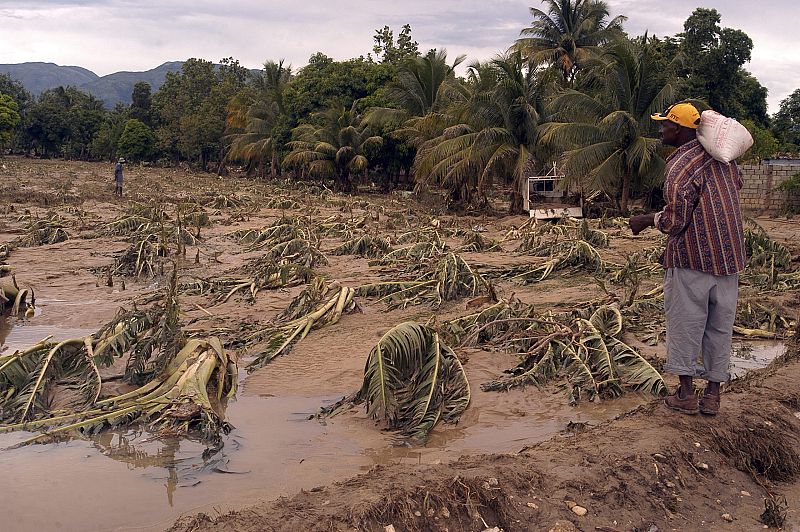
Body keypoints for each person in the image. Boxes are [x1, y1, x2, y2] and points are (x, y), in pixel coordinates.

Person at [629, 102, 745, 416]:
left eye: (665, 124)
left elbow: (675, 221)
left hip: (692, 259)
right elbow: (737, 185)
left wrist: (646, 221)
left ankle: (685, 393)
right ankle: (713, 396)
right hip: (730, 258)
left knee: (686, 323)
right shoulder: (724, 160)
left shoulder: (680, 165)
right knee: (720, 327)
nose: (661, 129)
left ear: (678, 129)